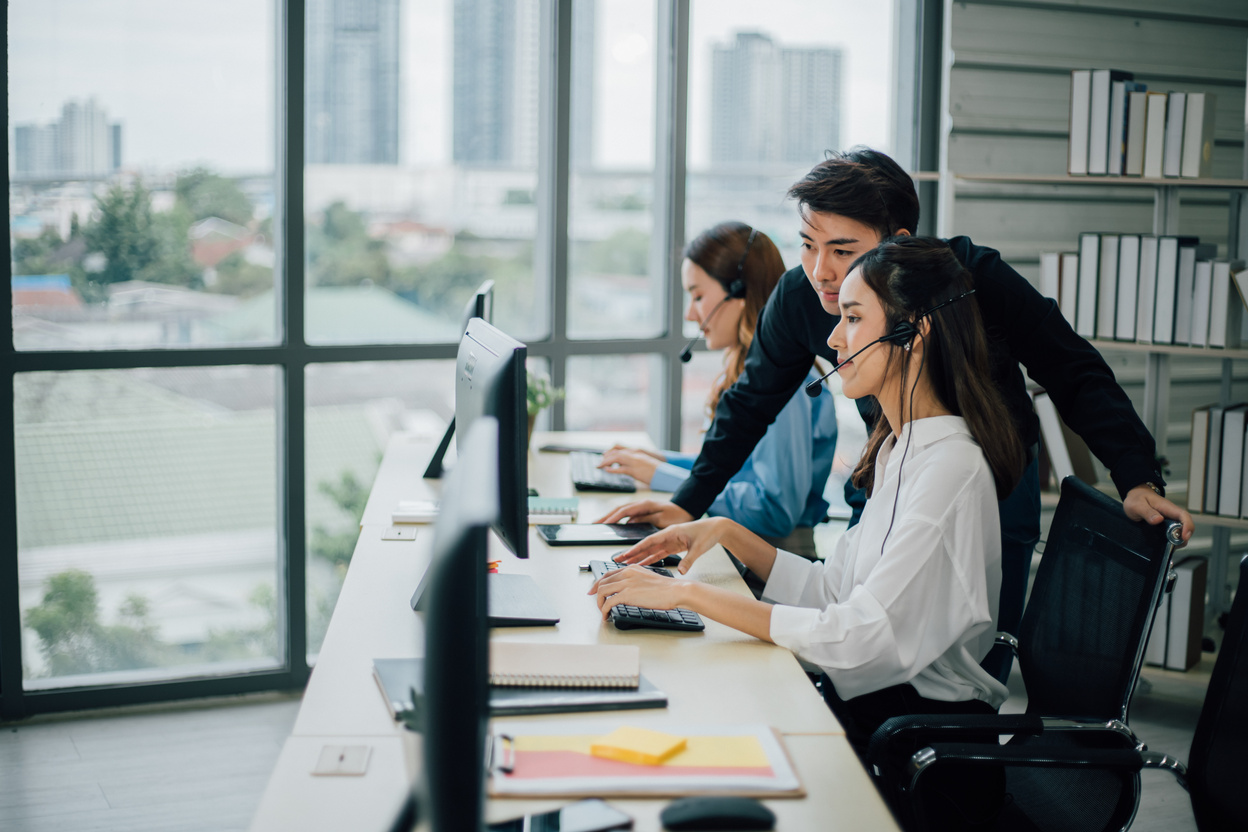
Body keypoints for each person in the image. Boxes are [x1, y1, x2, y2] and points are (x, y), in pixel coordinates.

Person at [599, 147, 1194, 682]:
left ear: (897, 243)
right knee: (859, 599)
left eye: (843, 251)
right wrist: (693, 505)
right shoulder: (802, 300)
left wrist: (1136, 476)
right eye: (808, 246)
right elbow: (748, 405)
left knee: (961, 658)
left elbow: (1073, 369)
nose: (822, 274)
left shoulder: (970, 279)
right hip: (892, 460)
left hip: (988, 474)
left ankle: (950, 755)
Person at [591, 237, 1024, 759]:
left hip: (917, 751)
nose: (835, 338)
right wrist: (726, 534)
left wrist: (689, 596)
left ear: (914, 333)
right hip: (879, 716)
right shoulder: (899, 447)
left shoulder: (949, 469)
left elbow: (856, 638)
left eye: (854, 318)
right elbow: (835, 589)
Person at [596, 222, 837, 560]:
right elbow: (742, 469)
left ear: (739, 292)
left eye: (697, 295)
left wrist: (664, 476)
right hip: (742, 556)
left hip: (774, 567)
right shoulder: (747, 369)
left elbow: (774, 511)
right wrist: (664, 461)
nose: (690, 313)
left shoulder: (786, 384)